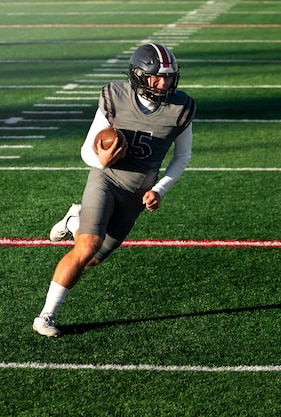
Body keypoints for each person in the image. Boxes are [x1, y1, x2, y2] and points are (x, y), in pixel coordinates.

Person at [33, 43, 196, 337]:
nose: (164, 83)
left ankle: (73, 221)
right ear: (138, 76)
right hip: (106, 179)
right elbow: (85, 150)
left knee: (93, 260)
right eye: (157, 77)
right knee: (87, 247)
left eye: (169, 77)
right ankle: (46, 316)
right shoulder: (115, 97)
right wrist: (101, 160)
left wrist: (159, 190)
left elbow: (182, 156)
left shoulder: (181, 108)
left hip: (137, 193)